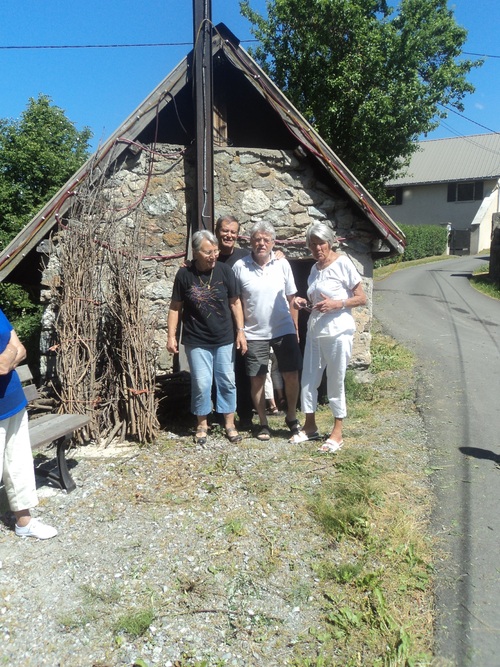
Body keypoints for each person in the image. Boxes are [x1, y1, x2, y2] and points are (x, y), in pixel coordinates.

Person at [167, 230, 247, 445]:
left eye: (216, 251)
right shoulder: (184, 275)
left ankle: (229, 422)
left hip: (224, 337)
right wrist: (171, 336)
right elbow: (175, 308)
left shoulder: (225, 271)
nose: (214, 256)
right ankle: (202, 422)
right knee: (201, 383)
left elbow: (235, 302)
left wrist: (241, 331)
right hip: (196, 339)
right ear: (196, 252)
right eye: (208, 252)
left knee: (227, 381)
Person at [293, 222, 367, 452]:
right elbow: (318, 302)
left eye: (321, 243)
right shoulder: (315, 269)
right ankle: (310, 426)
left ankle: (337, 432)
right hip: (315, 330)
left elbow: (361, 297)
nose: (317, 249)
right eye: (312, 244)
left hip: (338, 331)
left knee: (335, 380)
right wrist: (304, 303)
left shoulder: (343, 263)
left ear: (330, 242)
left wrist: (338, 304)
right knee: (309, 379)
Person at [232, 221, 302, 441]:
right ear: (251, 242)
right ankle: (263, 423)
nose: (261, 243)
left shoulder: (283, 264)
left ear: (273, 242)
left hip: (283, 329)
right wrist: (240, 331)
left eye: (266, 240)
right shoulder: (239, 267)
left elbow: (292, 298)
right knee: (257, 379)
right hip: (254, 333)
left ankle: (291, 417)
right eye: (257, 239)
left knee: (291, 374)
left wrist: (295, 327)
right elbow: (236, 301)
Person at [0, 308, 58, 539]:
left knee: (18, 465)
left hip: (13, 402)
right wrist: (10, 352)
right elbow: (4, 363)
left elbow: (20, 349)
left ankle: (24, 522)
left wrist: (10, 353)